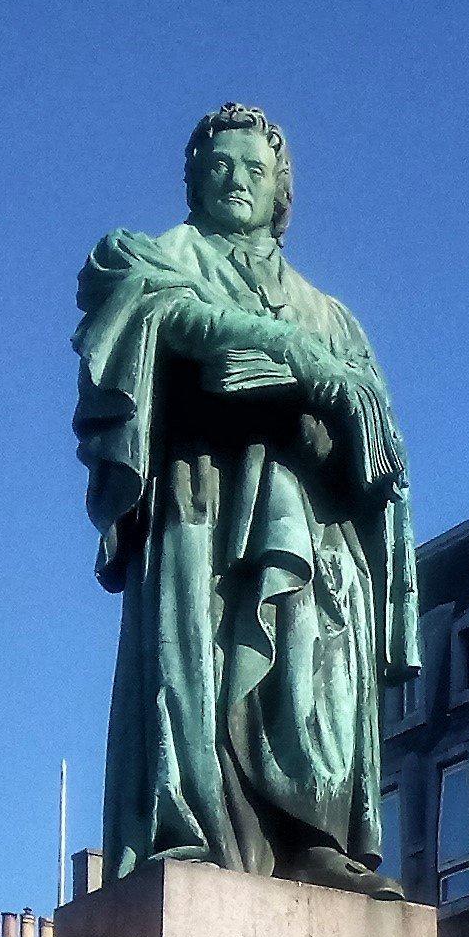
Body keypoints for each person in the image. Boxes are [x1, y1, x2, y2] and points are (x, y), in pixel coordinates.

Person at [75, 106, 422, 892]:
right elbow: (164, 318)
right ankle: (193, 828)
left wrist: (319, 400)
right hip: (204, 509)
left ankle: (313, 838)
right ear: (193, 179)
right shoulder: (155, 256)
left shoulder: (332, 312)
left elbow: (381, 451)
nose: (236, 181)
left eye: (254, 170)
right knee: (195, 675)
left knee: (312, 669)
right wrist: (295, 356)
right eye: (219, 166)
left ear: (281, 193)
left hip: (311, 527)